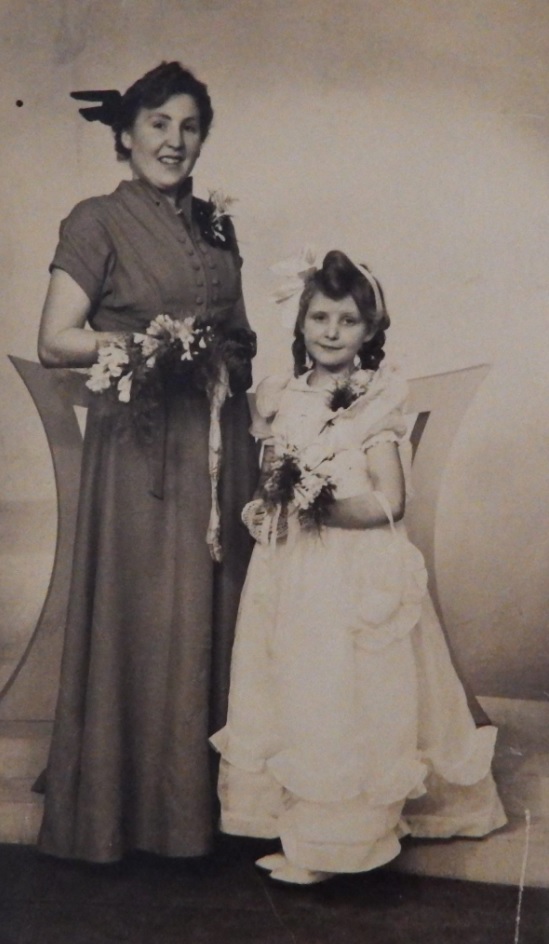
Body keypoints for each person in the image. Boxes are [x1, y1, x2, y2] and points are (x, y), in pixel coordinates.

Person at [210, 250, 507, 884]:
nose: (331, 331)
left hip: (350, 571)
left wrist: (324, 508)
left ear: (369, 330)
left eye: (347, 321)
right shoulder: (283, 395)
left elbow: (390, 501)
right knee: (296, 690)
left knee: (346, 696)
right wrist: (271, 508)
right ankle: (302, 829)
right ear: (301, 323)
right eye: (320, 317)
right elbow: (271, 482)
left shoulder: (375, 400)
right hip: (292, 571)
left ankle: (340, 844)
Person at [36, 61, 258, 862]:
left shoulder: (217, 226)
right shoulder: (95, 220)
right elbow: (55, 339)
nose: (174, 140)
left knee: (212, 614)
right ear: (125, 134)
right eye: (159, 123)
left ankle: (205, 811)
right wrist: (150, 344)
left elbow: (240, 335)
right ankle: (123, 815)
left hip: (219, 447)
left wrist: (229, 356)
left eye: (189, 126)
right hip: (139, 455)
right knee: (148, 614)